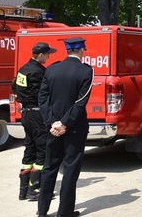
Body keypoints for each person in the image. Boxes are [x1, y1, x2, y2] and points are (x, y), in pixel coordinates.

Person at [37, 37, 94, 217]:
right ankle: (64, 212)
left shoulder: (52, 69)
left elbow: (43, 98)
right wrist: (64, 123)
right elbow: (80, 102)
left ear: (67, 50)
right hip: (74, 129)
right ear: (82, 50)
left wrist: (53, 122)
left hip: (53, 128)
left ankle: (42, 210)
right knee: (70, 170)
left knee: (49, 168)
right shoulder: (86, 71)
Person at [13, 41, 57, 201]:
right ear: (40, 55)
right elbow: (44, 94)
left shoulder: (23, 70)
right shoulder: (39, 72)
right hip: (37, 114)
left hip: (25, 113)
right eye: (47, 54)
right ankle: (36, 189)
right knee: (42, 150)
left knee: (29, 149)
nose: (49, 56)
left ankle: (23, 191)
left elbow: (14, 88)